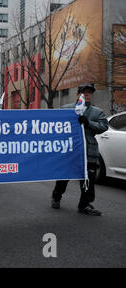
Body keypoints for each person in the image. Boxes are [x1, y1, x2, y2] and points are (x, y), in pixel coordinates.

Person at [51, 83, 108, 216]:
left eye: (89, 93)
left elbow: (103, 127)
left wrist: (88, 123)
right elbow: (55, 125)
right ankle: (56, 197)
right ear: (78, 94)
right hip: (70, 151)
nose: (87, 95)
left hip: (89, 152)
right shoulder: (67, 109)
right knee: (64, 176)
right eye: (84, 92)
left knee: (88, 179)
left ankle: (85, 204)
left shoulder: (97, 112)